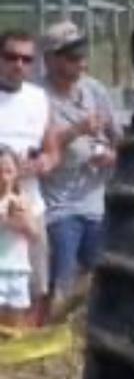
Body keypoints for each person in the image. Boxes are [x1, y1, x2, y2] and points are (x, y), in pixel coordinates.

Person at [39, 21, 118, 304]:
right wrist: (76, 130)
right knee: (64, 279)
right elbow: (38, 152)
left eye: (83, 54)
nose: (81, 62)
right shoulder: (37, 98)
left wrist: (110, 155)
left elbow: (119, 140)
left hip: (96, 203)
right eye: (72, 56)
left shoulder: (95, 91)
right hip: (58, 207)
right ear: (49, 60)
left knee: (97, 280)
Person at [0, 28, 57, 316]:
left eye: (26, 59)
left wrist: (44, 162)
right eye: (11, 57)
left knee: (36, 286)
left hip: (31, 207)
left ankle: (28, 352)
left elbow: (52, 148)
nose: (18, 65)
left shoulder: (38, 98)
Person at [0, 145, 40, 328]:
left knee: (14, 328)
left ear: (16, 172)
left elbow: (35, 236)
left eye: (8, 171)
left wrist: (23, 221)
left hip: (18, 271)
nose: (3, 176)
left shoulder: (23, 200)